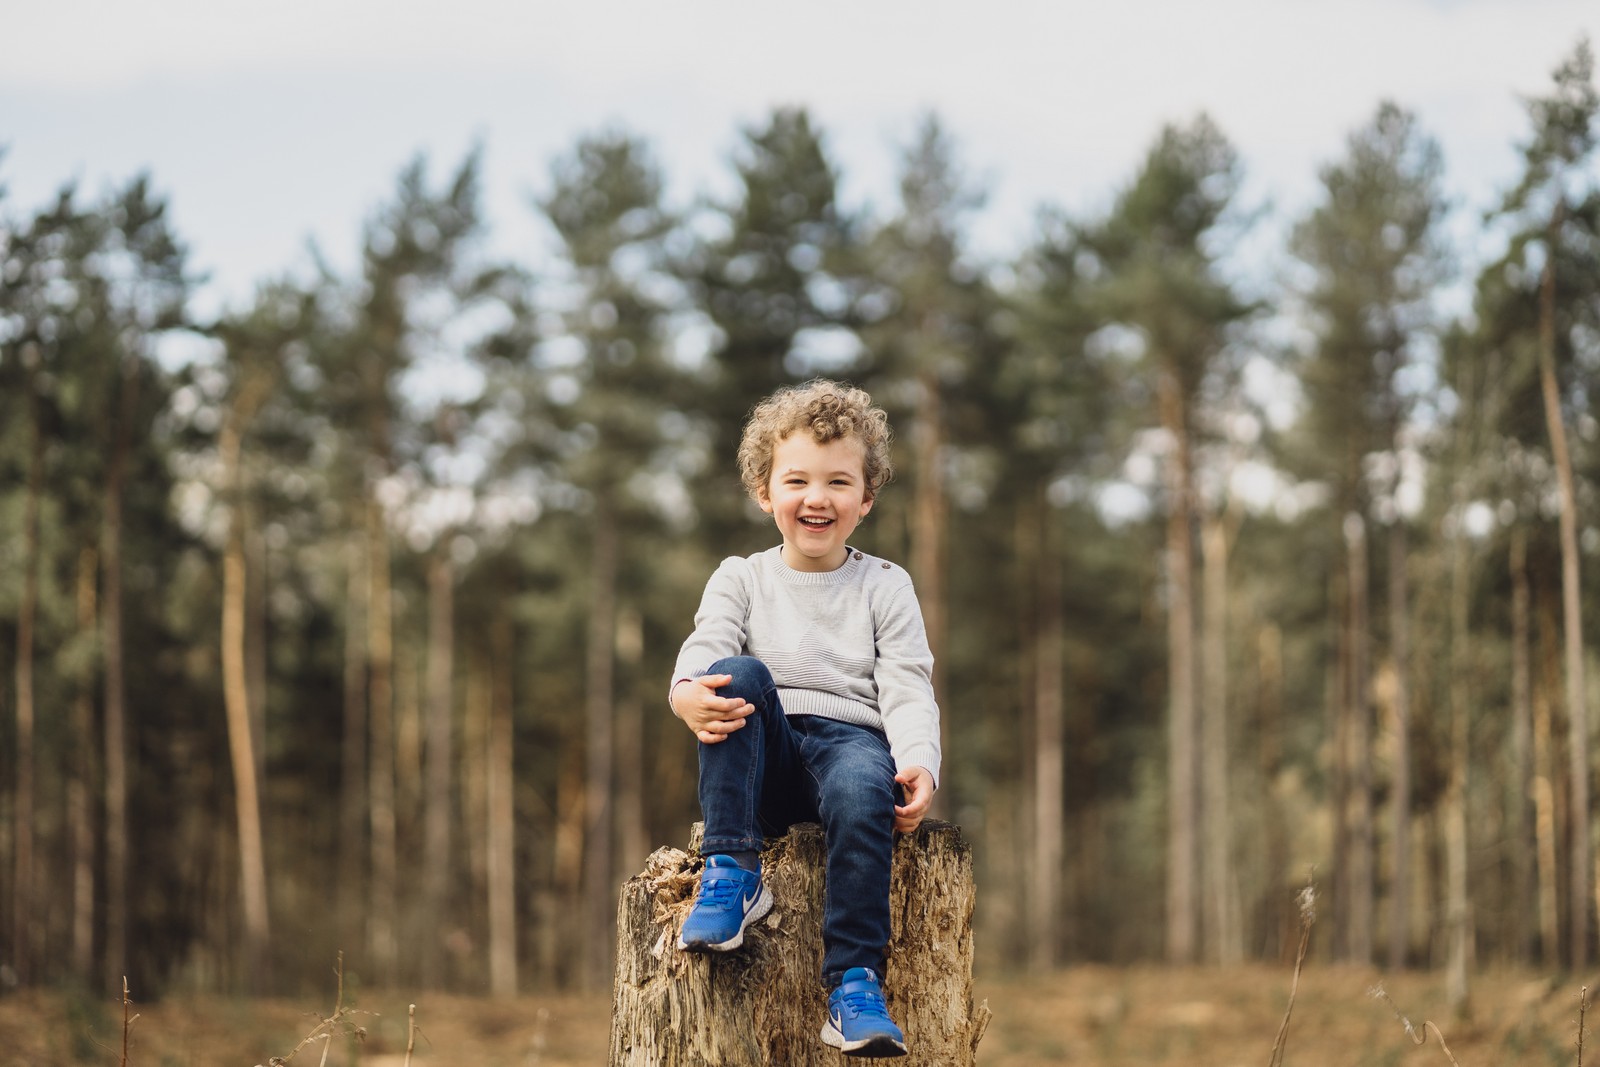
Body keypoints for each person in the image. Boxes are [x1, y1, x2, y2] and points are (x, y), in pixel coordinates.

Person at [668, 379, 941, 1058]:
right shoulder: (742, 577)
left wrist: (919, 759)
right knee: (735, 672)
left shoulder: (885, 583)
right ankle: (732, 872)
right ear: (764, 491)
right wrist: (684, 691)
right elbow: (707, 644)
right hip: (766, 754)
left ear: (866, 498)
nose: (817, 497)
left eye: (838, 482)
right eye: (797, 480)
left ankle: (853, 984)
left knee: (862, 783)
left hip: (851, 749)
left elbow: (906, 682)